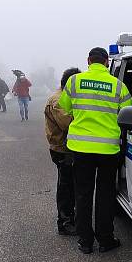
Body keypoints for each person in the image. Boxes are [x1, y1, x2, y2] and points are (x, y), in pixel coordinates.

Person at [59, 47, 131, 254]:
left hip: (80, 148)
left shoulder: (74, 81)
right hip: (108, 149)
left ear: (88, 61)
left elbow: (66, 107)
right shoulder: (118, 86)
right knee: (105, 194)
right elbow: (126, 113)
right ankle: (106, 240)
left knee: (82, 194)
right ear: (107, 62)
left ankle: (85, 242)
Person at [44, 67, 80, 236]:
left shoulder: (65, 97)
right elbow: (67, 124)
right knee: (66, 185)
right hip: (62, 149)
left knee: (71, 184)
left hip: (67, 148)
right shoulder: (58, 100)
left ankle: (70, 218)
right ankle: (65, 222)